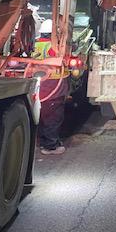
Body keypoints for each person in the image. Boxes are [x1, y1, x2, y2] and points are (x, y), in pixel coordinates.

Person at [34, 19, 69, 155]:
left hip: (40, 86)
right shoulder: (53, 47)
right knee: (53, 118)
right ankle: (50, 146)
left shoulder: (36, 45)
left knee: (42, 116)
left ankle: (43, 142)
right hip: (53, 87)